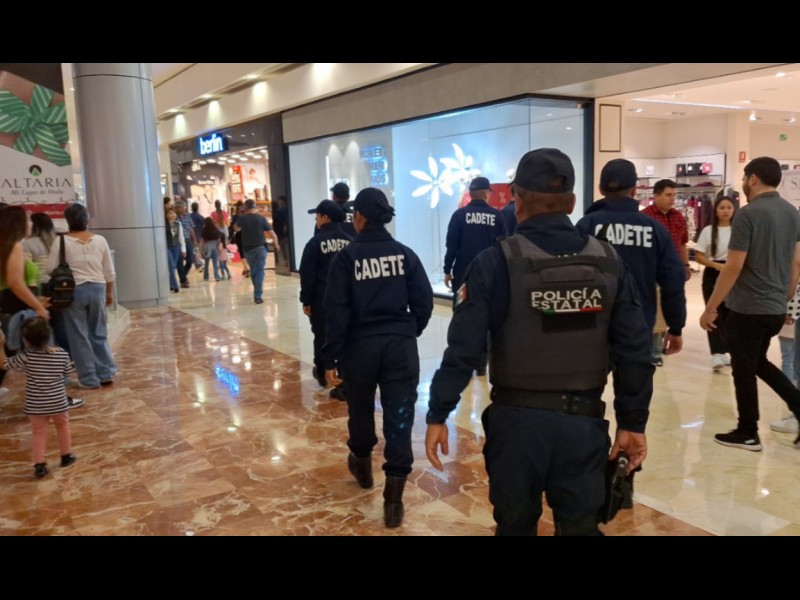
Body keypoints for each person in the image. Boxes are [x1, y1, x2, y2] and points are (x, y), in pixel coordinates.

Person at [426, 148, 654, 536]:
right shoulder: (608, 261)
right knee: (581, 528)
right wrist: (633, 421)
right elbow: (635, 349)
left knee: (515, 526)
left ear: (516, 199)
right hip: (583, 424)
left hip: (516, 428)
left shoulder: (494, 263)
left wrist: (438, 412)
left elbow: (463, 350)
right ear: (573, 202)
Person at [323, 187, 433, 528]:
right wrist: (408, 331)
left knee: (360, 408)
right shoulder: (404, 254)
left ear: (358, 217)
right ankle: (393, 501)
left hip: (360, 348)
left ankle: (362, 464)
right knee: (399, 416)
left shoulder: (346, 259)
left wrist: (331, 357)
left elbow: (336, 312)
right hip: (400, 347)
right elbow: (424, 301)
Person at [700, 157, 800, 451]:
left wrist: (711, 307)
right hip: (774, 306)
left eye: (744, 178)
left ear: (753, 178)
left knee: (744, 368)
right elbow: (796, 262)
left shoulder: (747, 214)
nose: (743, 183)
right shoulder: (792, 213)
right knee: (757, 363)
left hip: (749, 308)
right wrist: (784, 296)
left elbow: (734, 266)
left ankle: (747, 431)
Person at [576, 159, 686, 367]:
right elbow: (673, 282)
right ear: (635, 189)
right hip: (639, 323)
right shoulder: (654, 229)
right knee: (635, 384)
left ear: (600, 189)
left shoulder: (586, 225)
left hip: (594, 323)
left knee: (589, 384)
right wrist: (675, 326)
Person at [46, 203, 116, 390]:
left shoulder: (61, 241)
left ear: (67, 221)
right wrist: (109, 293)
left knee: (78, 335)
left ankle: (88, 379)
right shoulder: (100, 240)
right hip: (98, 289)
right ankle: (106, 373)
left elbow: (50, 269)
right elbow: (109, 272)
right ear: (87, 219)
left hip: (72, 292)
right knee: (99, 332)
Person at [0, 318, 79, 478]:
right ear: (49, 335)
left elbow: (4, 364)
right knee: (63, 426)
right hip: (58, 402)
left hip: (35, 405)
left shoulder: (26, 357)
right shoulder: (61, 354)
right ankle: (66, 456)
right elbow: (67, 373)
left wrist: (0, 345)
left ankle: (40, 464)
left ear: (25, 339)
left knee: (38, 432)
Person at [442, 176, 506, 376]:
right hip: (490, 277)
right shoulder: (497, 216)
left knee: (462, 316)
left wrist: (447, 270)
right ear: (486, 193)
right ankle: (481, 364)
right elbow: (504, 246)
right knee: (486, 316)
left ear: (470, 194)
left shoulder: (459, 216)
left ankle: (463, 361)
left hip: (463, 277)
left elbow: (451, 245)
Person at [299, 200, 352, 390]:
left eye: (317, 216)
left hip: (321, 299)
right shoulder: (350, 241)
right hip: (346, 300)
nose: (316, 220)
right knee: (346, 335)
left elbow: (307, 275)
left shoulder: (315, 243)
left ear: (325, 217)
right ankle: (344, 374)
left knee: (321, 335)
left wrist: (306, 300)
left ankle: (322, 372)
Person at [0, 206, 50, 397]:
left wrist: (35, 300)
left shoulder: (8, 246)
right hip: (13, 311)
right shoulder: (14, 247)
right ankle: (50, 397)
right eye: (27, 220)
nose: (31, 224)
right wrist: (38, 306)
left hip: (10, 308)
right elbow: (15, 283)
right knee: (34, 354)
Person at [641, 179, 690, 365]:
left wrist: (685, 265)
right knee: (655, 308)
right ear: (656, 196)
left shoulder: (678, 217)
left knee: (670, 306)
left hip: (673, 270)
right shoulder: (645, 217)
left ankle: (659, 345)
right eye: (668, 195)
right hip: (652, 269)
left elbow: (682, 243)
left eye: (674, 195)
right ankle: (653, 350)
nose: (672, 199)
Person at [693, 196, 736, 370]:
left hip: (734, 272)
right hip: (713, 272)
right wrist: (716, 265)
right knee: (713, 312)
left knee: (731, 314)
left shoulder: (738, 229)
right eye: (722, 207)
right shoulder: (708, 231)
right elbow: (699, 256)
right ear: (716, 210)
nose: (725, 211)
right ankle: (717, 353)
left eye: (729, 207)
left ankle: (728, 351)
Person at [234, 199, 280, 304]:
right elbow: (272, 233)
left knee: (255, 271)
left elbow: (236, 229)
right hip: (260, 248)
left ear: (246, 208)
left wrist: (240, 217)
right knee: (258, 271)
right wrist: (276, 243)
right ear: (255, 207)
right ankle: (257, 294)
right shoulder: (261, 218)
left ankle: (257, 294)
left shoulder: (242, 218)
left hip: (248, 249)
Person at [174, 200, 197, 288]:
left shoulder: (187, 216)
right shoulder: (174, 217)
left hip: (187, 240)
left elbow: (191, 229)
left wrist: (194, 240)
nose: (181, 209)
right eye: (179, 208)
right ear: (176, 208)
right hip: (177, 242)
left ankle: (183, 274)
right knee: (179, 261)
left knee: (190, 260)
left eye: (182, 208)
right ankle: (183, 280)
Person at [165, 208, 186, 293]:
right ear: (166, 215)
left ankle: (171, 284)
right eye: (170, 213)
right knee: (172, 265)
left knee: (172, 267)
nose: (172, 215)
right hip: (167, 247)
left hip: (177, 247)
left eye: (174, 213)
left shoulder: (178, 223)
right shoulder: (164, 224)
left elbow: (181, 237)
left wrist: (183, 249)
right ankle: (175, 285)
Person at [200, 216, 222, 282]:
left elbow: (202, 241)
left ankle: (206, 276)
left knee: (206, 263)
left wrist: (201, 249)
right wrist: (218, 246)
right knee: (215, 262)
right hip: (214, 246)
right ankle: (216, 276)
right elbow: (219, 239)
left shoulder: (204, 230)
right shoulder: (216, 229)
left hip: (206, 246)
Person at [272, 195, 290, 271]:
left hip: (276, 231)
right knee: (282, 246)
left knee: (277, 246)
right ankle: (285, 260)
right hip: (280, 232)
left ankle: (277, 261)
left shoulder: (277, 212)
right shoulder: (281, 212)